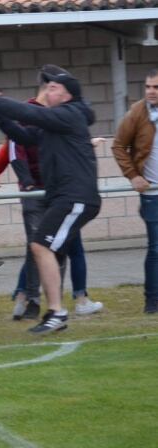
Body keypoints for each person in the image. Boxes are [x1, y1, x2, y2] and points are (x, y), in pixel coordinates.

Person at [0, 71, 101, 334]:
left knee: (40, 246)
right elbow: (22, 135)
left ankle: (57, 312)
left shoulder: (69, 114)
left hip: (75, 198)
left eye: (52, 88)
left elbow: (31, 114)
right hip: (66, 199)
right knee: (48, 251)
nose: (46, 92)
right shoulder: (55, 124)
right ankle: (56, 311)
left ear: (66, 94)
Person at [112, 67, 158, 314]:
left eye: (156, 87)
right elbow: (118, 146)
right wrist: (133, 176)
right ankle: (152, 301)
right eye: (148, 87)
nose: (151, 91)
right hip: (152, 193)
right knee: (156, 247)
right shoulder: (136, 113)